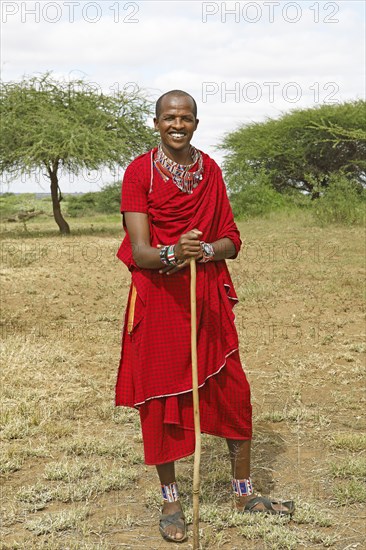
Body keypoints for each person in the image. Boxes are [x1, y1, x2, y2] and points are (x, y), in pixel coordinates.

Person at [115, 90, 294, 543]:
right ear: (156, 123)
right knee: (160, 399)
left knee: (233, 389)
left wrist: (208, 250)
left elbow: (232, 238)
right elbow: (141, 252)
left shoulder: (209, 169)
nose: (178, 125)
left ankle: (242, 491)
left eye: (187, 118)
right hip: (158, 300)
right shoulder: (140, 172)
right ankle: (172, 500)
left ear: (196, 122)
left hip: (206, 296)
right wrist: (176, 251)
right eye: (170, 118)